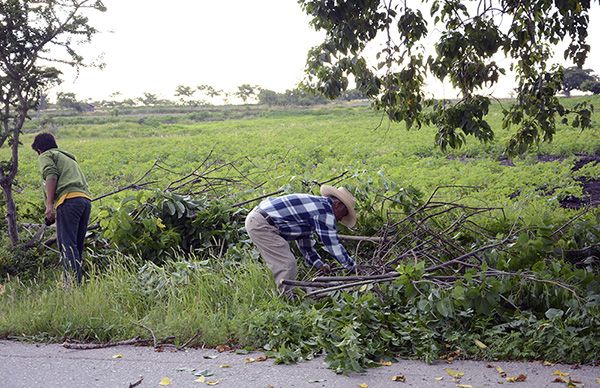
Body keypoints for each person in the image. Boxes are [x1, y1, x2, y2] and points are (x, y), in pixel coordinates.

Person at [245, 185, 357, 297]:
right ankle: (287, 299)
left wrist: (318, 264)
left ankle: (289, 295)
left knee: (285, 262)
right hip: (262, 223)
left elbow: (305, 243)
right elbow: (332, 244)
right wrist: (353, 267)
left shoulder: (314, 209)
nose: (341, 219)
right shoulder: (324, 211)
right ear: (337, 205)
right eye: (344, 213)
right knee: (286, 263)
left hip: (258, 220)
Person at [32, 133, 92, 285]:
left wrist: (50, 205)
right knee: (76, 246)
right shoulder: (68, 158)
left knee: (67, 246)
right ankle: (77, 284)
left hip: (68, 201)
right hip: (84, 201)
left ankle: (71, 286)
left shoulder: (46, 155)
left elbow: (51, 176)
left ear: (39, 150)